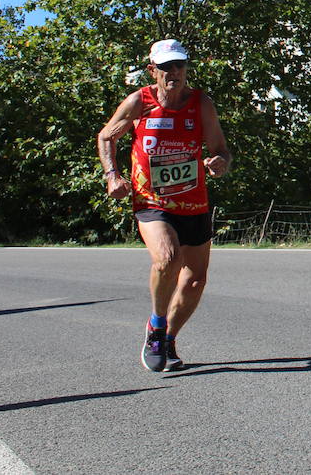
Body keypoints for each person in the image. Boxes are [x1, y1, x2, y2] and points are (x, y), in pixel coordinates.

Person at [97, 39, 231, 373]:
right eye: (166, 67)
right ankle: (155, 327)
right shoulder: (139, 101)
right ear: (152, 70)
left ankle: (168, 338)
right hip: (152, 200)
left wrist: (219, 162)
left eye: (179, 65)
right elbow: (106, 136)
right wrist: (113, 175)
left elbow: (221, 149)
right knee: (167, 258)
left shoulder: (201, 103)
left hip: (194, 201)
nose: (174, 72)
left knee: (195, 279)